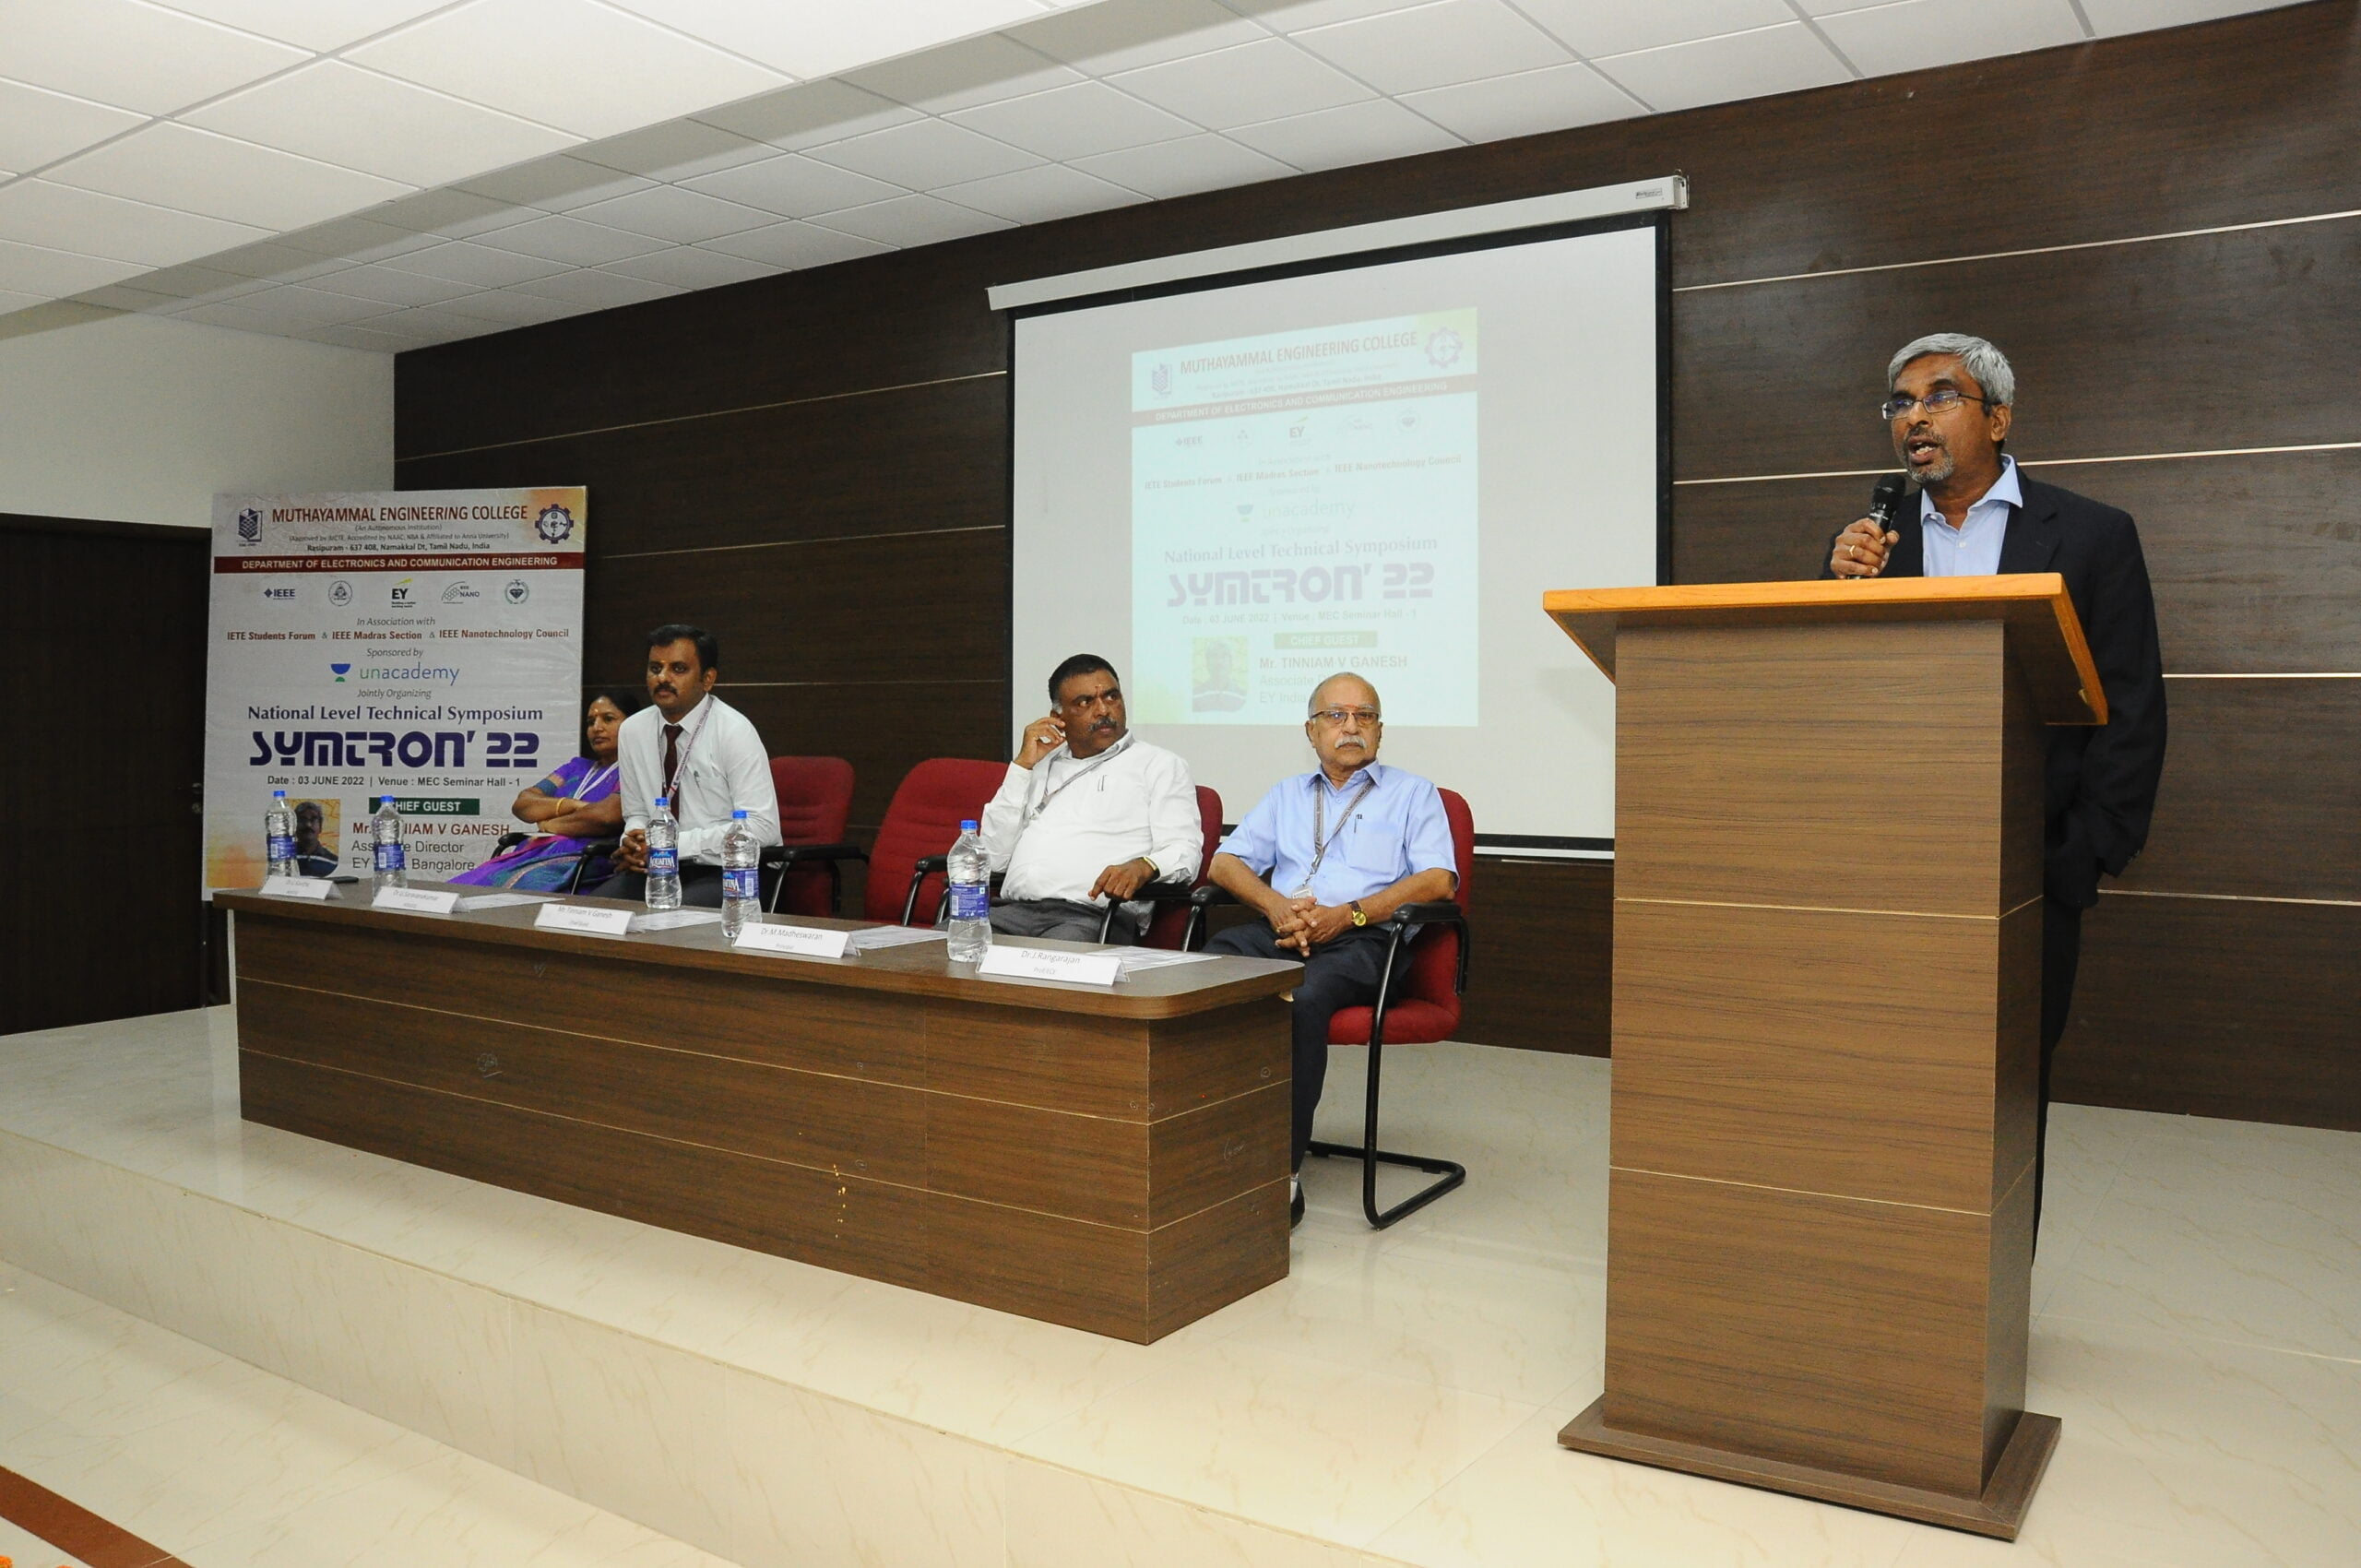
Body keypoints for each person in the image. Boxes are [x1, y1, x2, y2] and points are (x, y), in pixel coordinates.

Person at [1825, 332, 2166, 1233]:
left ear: (1999, 418)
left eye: (1939, 396)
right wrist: (1833, 590)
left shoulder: (2090, 535)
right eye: (1900, 403)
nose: (1915, 417)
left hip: (2029, 864)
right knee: (1885, 1075)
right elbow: (1833, 692)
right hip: (1889, 865)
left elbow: (2131, 704)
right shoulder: (1871, 544)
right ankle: (1894, 1255)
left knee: (2007, 1087)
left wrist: (2083, 853)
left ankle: (1997, 1278)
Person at [1204, 672, 1458, 1226]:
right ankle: (1203, 1144)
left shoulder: (1414, 793)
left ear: (1380, 730)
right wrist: (1277, 907)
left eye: (1364, 716)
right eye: (1336, 716)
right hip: (1284, 927)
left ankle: (1281, 1169)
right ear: (1311, 730)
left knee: (1304, 996)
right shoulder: (1286, 794)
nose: (1351, 727)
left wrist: (1348, 914)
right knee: (1206, 969)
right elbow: (1225, 863)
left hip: (1365, 938)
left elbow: (1439, 880)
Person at [977, 655, 1203, 944]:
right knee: (931, 952)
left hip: (1092, 917)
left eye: (1111, 697)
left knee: (1044, 965)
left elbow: (1184, 851)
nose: (1103, 710)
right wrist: (1022, 767)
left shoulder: (1158, 765)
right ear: (1058, 718)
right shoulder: (1039, 766)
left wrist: (1144, 866)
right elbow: (993, 859)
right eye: (1085, 702)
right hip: (1010, 912)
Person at [586, 624, 780, 907]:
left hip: (732, 869)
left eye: (678, 669)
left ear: (708, 679)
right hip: (659, 867)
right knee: (593, 912)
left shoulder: (733, 730)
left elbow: (762, 828)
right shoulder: (633, 730)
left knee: (670, 921)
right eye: (655, 668)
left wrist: (673, 845)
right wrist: (633, 841)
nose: (662, 678)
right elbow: (637, 813)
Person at [450, 689, 643, 890]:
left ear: (632, 724)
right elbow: (523, 803)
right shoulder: (575, 768)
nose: (596, 728)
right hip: (536, 852)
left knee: (519, 886)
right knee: (463, 885)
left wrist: (549, 824)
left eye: (608, 719)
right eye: (590, 722)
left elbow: (605, 817)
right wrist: (573, 806)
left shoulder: (633, 769)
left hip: (584, 858)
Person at [291, 800, 338, 878]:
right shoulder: (285, 858)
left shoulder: (333, 862)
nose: (308, 825)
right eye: (302, 820)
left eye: (313, 820)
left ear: (320, 826)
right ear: (294, 826)